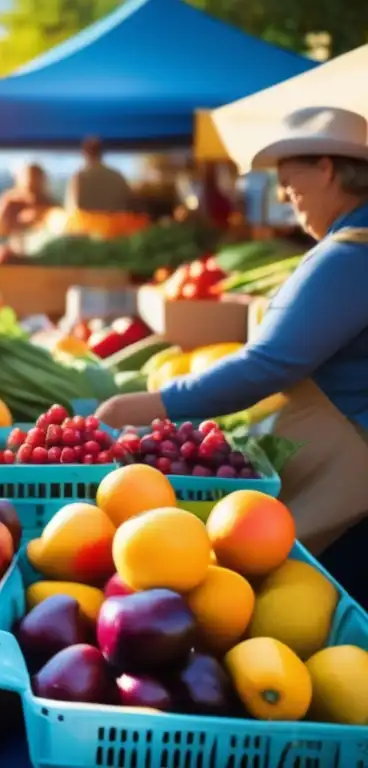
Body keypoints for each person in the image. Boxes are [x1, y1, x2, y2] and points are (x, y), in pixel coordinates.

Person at [95, 106, 368, 606]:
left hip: (354, 482)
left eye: (290, 181)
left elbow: (268, 365)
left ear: (327, 168)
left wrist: (150, 404)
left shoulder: (350, 255)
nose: (286, 196)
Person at [0, 163, 53, 240]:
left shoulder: (50, 205)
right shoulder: (9, 203)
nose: (33, 197)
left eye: (36, 181)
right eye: (29, 187)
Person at [65, 136, 134, 213]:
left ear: (84, 153)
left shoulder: (79, 178)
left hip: (86, 224)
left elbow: (71, 210)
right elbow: (129, 205)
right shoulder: (117, 176)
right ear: (101, 153)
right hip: (115, 224)